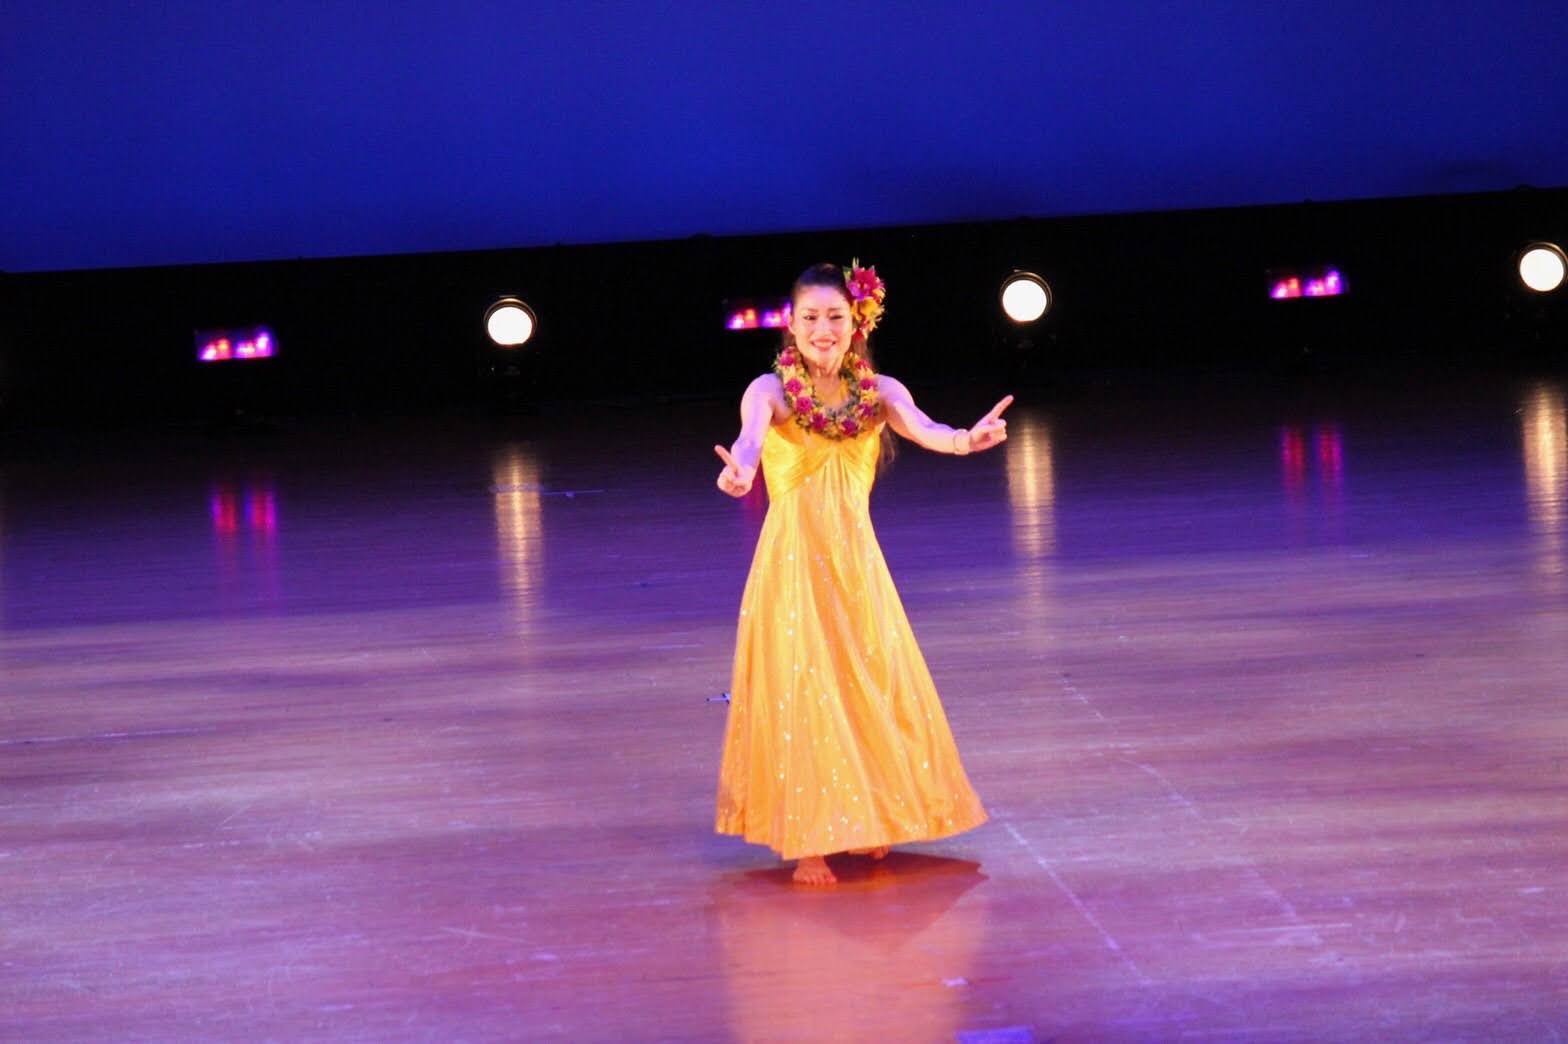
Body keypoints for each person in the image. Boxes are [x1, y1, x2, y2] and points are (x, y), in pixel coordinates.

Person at [713, 260, 1011, 886]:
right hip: (793, 566)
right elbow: (749, 440)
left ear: (857, 323)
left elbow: (926, 429)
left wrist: (966, 439)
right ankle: (810, 841)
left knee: (867, 680)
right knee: (804, 687)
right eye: (810, 317)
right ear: (792, 324)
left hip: (854, 562)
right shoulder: (769, 390)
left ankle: (869, 814)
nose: (822, 329)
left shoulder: (879, 392)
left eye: (835, 317)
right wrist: (740, 471)